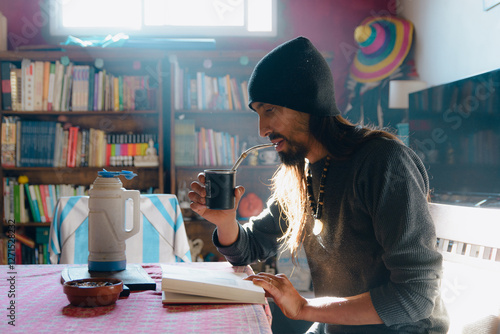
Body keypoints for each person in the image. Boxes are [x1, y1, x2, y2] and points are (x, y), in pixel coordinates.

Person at [189, 36, 449, 333]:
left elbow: (415, 295)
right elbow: (249, 248)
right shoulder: (301, 174)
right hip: (333, 327)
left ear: (306, 104)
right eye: (258, 114)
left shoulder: (384, 162)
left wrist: (304, 308)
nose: (262, 130)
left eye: (269, 110)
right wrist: (226, 222)